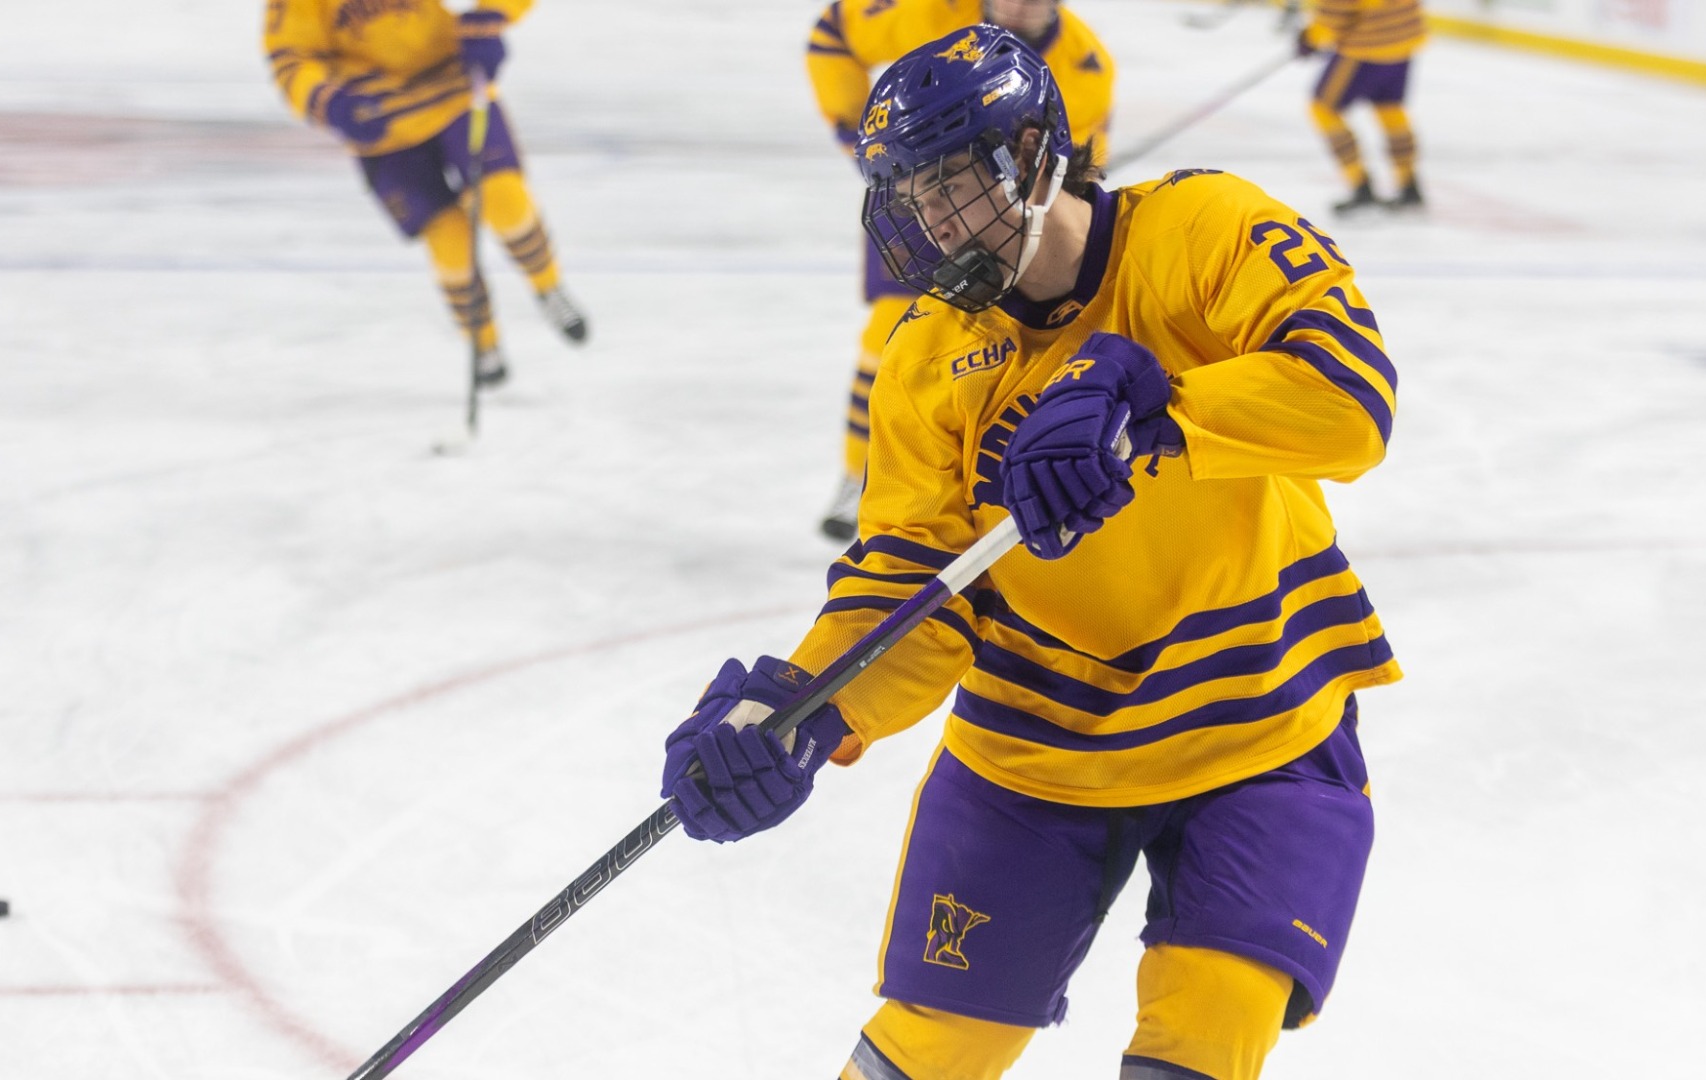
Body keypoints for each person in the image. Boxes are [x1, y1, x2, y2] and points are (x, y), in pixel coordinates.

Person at [662, 25, 1401, 1080]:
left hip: (1261, 725)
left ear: (1035, 156)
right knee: (922, 1058)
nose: (927, 219)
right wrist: (797, 709)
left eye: (950, 184)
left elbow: (1349, 396)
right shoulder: (925, 356)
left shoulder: (1203, 226)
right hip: (1034, 743)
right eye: (908, 195)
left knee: (1196, 1047)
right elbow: (914, 582)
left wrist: (1157, 409)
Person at [805, 0, 1114, 541]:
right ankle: (863, 475)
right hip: (922, 202)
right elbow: (833, 36)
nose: (1019, 5)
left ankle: (977, 475)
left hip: (1013, 220)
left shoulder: (1087, 62)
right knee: (892, 344)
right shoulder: (922, 10)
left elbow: (1079, 161)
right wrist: (854, 132)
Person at [263, 0, 588, 388]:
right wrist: (329, 104)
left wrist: (492, 16)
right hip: (380, 122)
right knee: (448, 238)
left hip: (453, 91)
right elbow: (291, 54)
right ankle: (483, 343)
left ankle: (547, 287)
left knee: (504, 199)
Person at [1294, 0, 1428, 215]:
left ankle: (1360, 184)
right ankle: (1409, 184)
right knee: (1389, 107)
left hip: (1365, 46)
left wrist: (1311, 38)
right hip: (1403, 38)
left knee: (1323, 108)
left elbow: (1335, 14)